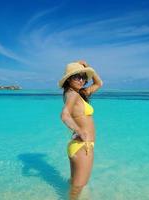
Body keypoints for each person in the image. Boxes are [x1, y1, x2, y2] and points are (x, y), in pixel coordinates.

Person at [59, 60, 103, 200]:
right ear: (68, 79)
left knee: (74, 184)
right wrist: (79, 131)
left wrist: (89, 67)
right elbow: (64, 115)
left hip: (79, 146)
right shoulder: (72, 94)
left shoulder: (80, 94)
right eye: (76, 76)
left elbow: (99, 84)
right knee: (78, 187)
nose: (81, 80)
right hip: (82, 146)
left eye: (83, 77)